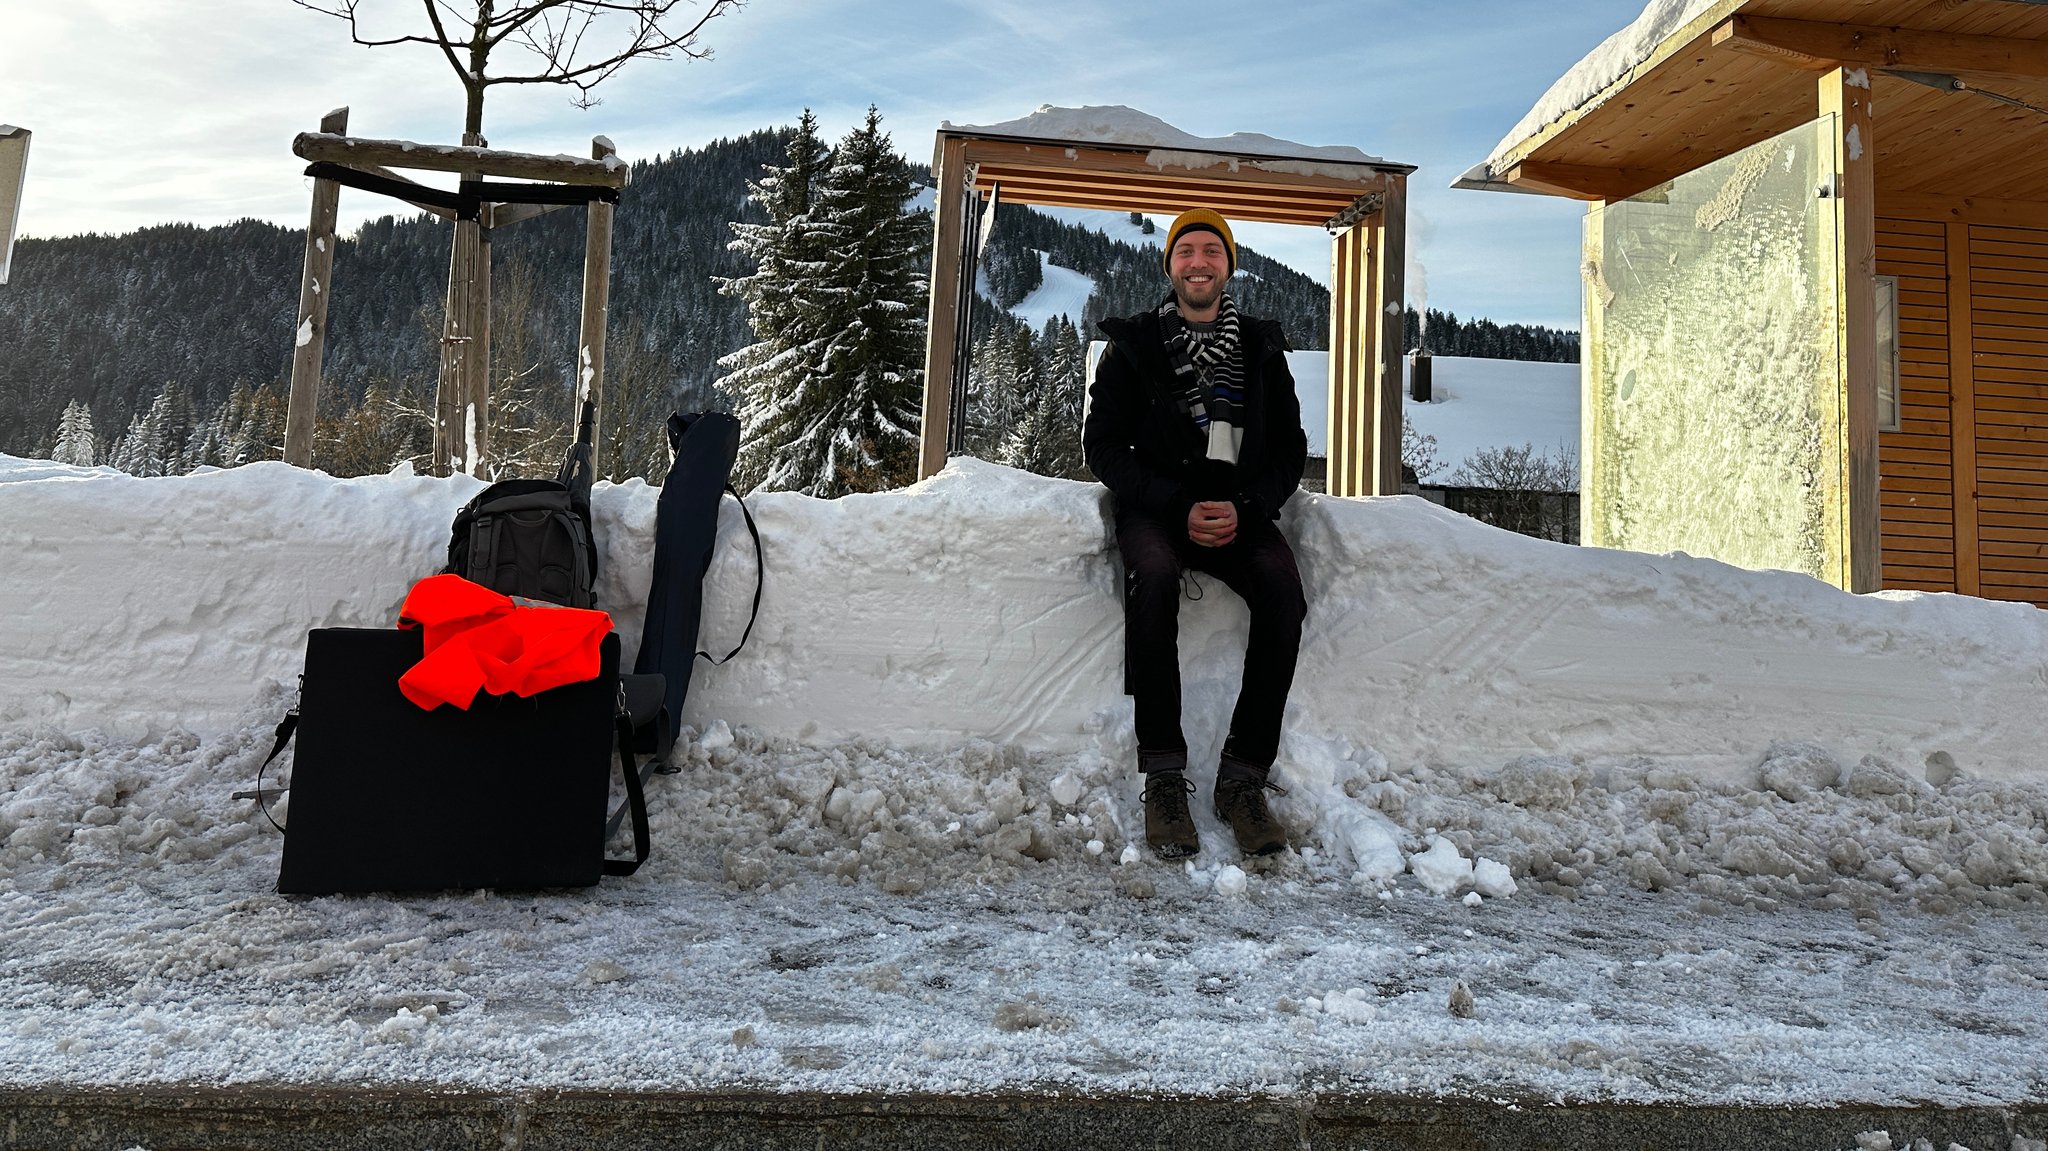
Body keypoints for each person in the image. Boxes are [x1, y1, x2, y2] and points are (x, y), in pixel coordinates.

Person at [1082, 208, 1308, 860]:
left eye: (1212, 250)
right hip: (1158, 508)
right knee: (1151, 577)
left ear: (1228, 265)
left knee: (1283, 594)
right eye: (1187, 251)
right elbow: (1103, 446)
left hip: (1241, 510)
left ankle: (1242, 779)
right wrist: (1176, 504)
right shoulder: (1134, 345)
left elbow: (1291, 449)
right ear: (1171, 265)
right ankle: (1163, 777)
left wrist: (1248, 504)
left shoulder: (1261, 350)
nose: (1199, 261)